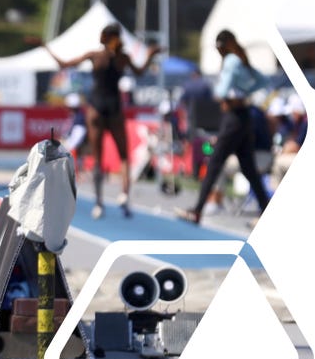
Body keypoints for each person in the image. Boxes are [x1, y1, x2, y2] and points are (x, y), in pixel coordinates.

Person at [39, 24, 161, 219]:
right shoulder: (123, 57)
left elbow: (64, 64)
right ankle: (124, 195)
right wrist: (150, 54)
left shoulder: (95, 56)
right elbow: (140, 72)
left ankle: (99, 203)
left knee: (98, 159)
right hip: (114, 107)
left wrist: (45, 46)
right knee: (124, 156)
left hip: (95, 107)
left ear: (103, 38)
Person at [176, 29, 271, 225]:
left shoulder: (231, 60)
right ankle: (266, 211)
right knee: (249, 169)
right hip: (243, 117)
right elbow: (262, 80)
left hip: (233, 118)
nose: (218, 51)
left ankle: (197, 211)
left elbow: (222, 90)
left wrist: (224, 95)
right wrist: (244, 92)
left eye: (219, 47)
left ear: (225, 45)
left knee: (214, 163)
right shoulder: (241, 59)